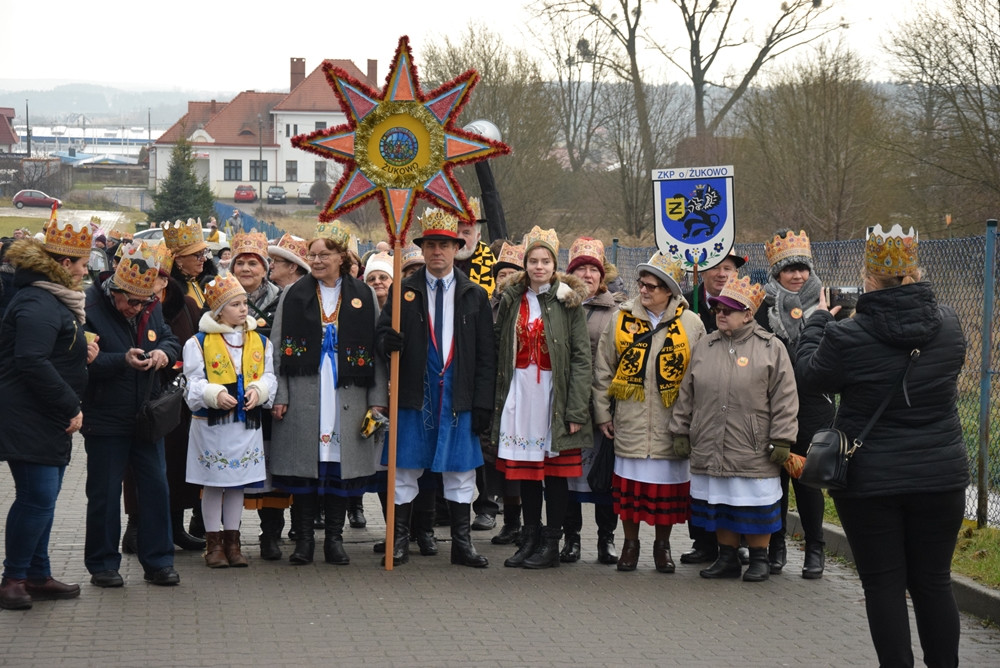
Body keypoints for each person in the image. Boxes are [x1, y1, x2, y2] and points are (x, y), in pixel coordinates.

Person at [796, 224, 968, 667]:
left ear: (867, 277)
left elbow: (812, 377)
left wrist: (818, 321)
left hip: (871, 481)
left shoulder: (847, 335)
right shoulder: (949, 325)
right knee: (933, 581)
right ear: (915, 270)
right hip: (941, 476)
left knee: (884, 585)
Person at [376, 208, 496, 568]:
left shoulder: (474, 294)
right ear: (423, 249)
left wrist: (483, 405)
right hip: (416, 392)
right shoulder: (404, 290)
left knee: (461, 471)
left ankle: (462, 545)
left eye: (444, 244)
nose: (437, 252)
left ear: (457, 247)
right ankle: (398, 542)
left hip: (457, 395)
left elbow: (486, 356)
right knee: (404, 468)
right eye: (430, 245)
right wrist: (388, 339)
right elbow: (381, 335)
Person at [270, 220, 387, 566]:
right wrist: (281, 395)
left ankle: (334, 540)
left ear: (341, 257)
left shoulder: (363, 294)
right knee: (306, 466)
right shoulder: (295, 294)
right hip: (306, 389)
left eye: (324, 254)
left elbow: (377, 351)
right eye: (312, 254)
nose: (316, 260)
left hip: (349, 392)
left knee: (341, 466)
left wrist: (377, 397)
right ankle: (304, 540)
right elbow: (278, 349)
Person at [669, 274, 798, 582]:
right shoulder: (705, 346)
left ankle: (759, 560)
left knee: (756, 506)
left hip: (752, 446)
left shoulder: (771, 348)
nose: (721, 314)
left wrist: (782, 438)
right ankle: (726, 558)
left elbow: (785, 398)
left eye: (729, 309)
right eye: (717, 308)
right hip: (711, 442)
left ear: (749, 314)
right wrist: (681, 430)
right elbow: (687, 393)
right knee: (721, 502)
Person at [0, 218, 94, 610]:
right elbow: (31, 360)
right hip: (29, 412)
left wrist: (80, 350)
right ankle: (14, 579)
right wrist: (70, 404)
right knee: (37, 496)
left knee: (46, 496)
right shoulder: (38, 300)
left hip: (45, 414)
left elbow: (51, 350)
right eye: (81, 263)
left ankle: (38, 574)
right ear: (61, 263)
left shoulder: (52, 298)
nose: (86, 270)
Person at [593, 251, 706, 572]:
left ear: (669, 290)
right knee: (629, 492)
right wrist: (602, 413)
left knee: (666, 493)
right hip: (630, 420)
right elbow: (603, 369)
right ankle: (630, 545)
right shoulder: (621, 318)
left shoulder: (691, 324)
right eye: (641, 284)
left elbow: (700, 377)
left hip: (672, 425)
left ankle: (662, 546)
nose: (644, 290)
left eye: (652, 286)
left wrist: (693, 421)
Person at [82, 241, 182, 588]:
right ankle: (103, 564)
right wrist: (120, 360)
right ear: (114, 291)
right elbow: (81, 364)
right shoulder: (90, 308)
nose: (137, 308)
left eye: (144, 302)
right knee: (105, 493)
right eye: (131, 302)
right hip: (105, 416)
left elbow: (170, 338)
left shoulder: (150, 306)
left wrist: (163, 356)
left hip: (146, 415)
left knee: (156, 489)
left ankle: (158, 562)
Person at [493, 226, 593, 570]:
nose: (539, 267)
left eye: (545, 261)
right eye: (533, 260)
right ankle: (530, 537)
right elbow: (499, 347)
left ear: (555, 264)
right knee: (525, 473)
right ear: (525, 264)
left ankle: (552, 542)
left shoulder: (568, 302)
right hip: (520, 392)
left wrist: (576, 407)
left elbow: (582, 357)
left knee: (555, 474)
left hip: (554, 394)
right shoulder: (512, 300)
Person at [184, 274, 276, 568]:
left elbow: (269, 376)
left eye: (244, 303)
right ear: (219, 310)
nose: (243, 309)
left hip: (244, 423)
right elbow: (193, 383)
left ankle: (233, 543)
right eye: (234, 304)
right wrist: (214, 393)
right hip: (212, 425)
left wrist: (258, 391)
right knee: (213, 483)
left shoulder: (259, 341)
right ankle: (213, 544)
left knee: (237, 484)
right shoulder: (198, 343)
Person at [756, 229, 833, 578]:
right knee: (775, 478)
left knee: (808, 480)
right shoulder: (761, 306)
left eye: (803, 268)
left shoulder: (828, 304)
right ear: (777, 273)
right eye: (790, 269)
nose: (798, 275)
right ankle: (776, 546)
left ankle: (815, 550)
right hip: (770, 404)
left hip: (813, 404)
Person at [120, 243, 205, 555]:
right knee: (139, 464)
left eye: (152, 278)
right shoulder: (131, 305)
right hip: (142, 396)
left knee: (178, 460)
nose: (146, 284)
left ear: (164, 281)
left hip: (179, 398)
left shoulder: (185, 307)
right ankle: (136, 527)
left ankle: (175, 526)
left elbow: (198, 343)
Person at [562, 237, 629, 566]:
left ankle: (606, 538)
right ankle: (570, 538)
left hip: (602, 404)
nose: (587, 274)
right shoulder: (560, 305)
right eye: (581, 268)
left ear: (603, 276)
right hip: (567, 406)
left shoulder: (618, 311)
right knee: (568, 476)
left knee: (604, 477)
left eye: (593, 269)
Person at [679, 248, 747, 565]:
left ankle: (737, 543)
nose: (722, 273)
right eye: (715, 267)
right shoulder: (685, 303)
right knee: (701, 477)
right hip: (700, 400)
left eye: (729, 267)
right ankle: (703, 542)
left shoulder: (749, 305)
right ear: (701, 271)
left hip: (736, 405)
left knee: (732, 479)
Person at [487, 241, 525, 547]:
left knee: (525, 461)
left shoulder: (526, 305)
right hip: (495, 391)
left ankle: (528, 523)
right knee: (501, 461)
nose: (506, 279)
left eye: (513, 272)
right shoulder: (487, 304)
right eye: (502, 273)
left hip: (525, 388)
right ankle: (509, 520)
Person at [164, 219, 217, 309]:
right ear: (179, 260)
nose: (204, 259)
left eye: (204, 253)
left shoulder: (209, 283)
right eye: (198, 255)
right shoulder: (170, 292)